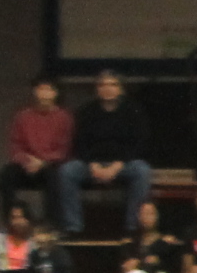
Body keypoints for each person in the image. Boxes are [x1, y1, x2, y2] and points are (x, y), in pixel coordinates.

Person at [58, 69, 154, 237]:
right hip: (92, 164)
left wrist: (117, 165)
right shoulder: (87, 111)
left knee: (142, 170)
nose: (108, 88)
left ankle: (132, 228)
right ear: (97, 89)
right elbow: (79, 143)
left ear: (121, 89)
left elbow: (140, 143)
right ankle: (73, 227)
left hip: (123, 164)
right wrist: (93, 164)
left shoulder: (134, 111)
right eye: (103, 85)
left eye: (113, 84)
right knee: (67, 171)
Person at [0, 78, 70, 223]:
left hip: (50, 165)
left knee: (55, 176)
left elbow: (65, 148)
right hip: (26, 165)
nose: (44, 94)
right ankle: (11, 221)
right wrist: (26, 161)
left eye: (49, 90)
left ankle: (51, 224)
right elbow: (15, 145)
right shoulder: (22, 116)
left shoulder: (64, 118)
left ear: (55, 93)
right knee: (6, 175)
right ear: (34, 92)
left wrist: (43, 162)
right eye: (41, 89)